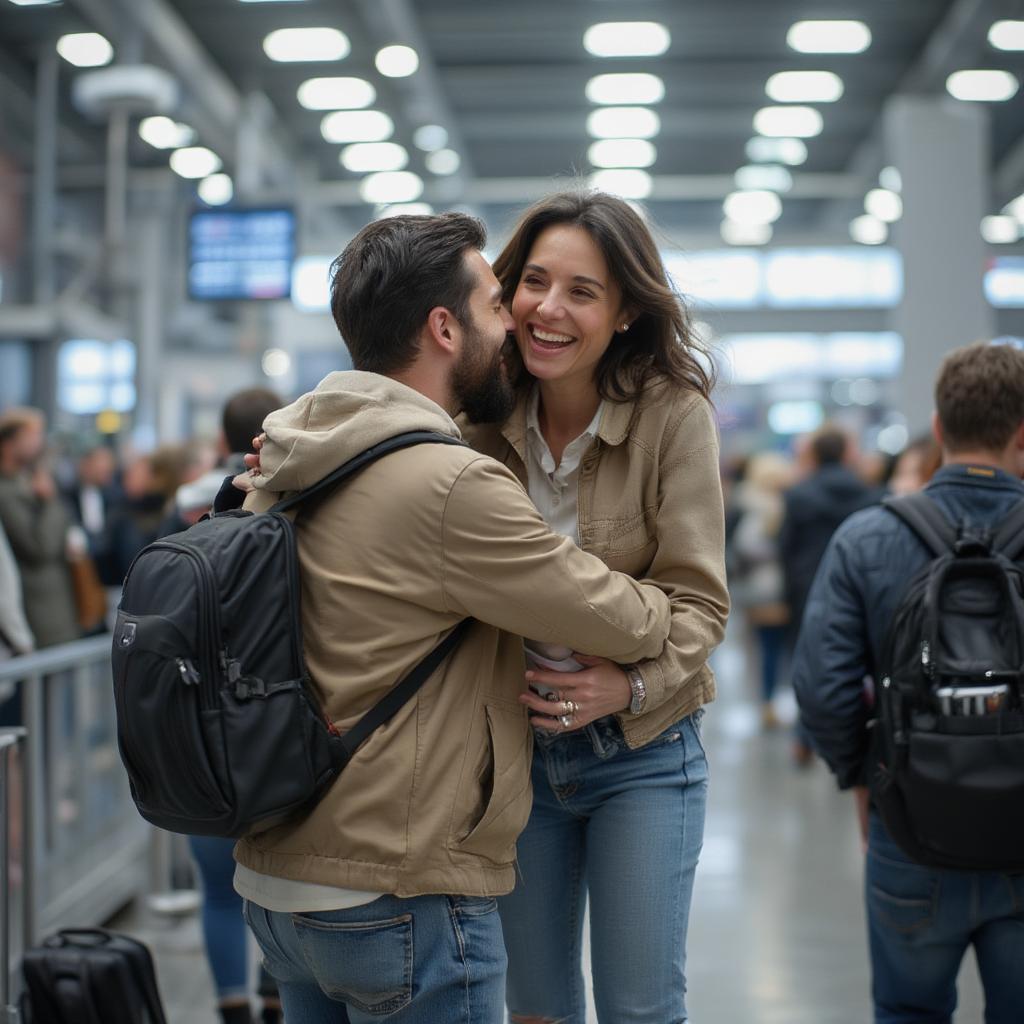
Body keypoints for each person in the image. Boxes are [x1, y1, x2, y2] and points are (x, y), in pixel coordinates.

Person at [233, 212, 673, 1024]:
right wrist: (651, 604)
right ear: (444, 327)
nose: (520, 322)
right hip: (396, 889)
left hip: (275, 886)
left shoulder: (290, 455)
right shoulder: (450, 483)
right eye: (501, 303)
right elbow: (628, 620)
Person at [460, 190, 729, 1024]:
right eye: (534, 282)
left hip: (641, 754)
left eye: (583, 291)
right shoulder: (474, 413)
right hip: (514, 752)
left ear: (622, 314)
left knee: (639, 1007)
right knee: (534, 1006)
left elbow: (699, 602)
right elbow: (374, 416)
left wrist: (631, 688)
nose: (549, 308)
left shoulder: (672, 417)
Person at [792, 340, 1024, 1023]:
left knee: (908, 1011)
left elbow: (823, 688)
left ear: (939, 427)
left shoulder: (867, 537)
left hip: (910, 825)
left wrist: (861, 776)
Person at [174, 389, 284, 1024]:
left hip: (192, 721)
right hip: (267, 718)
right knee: (274, 883)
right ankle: (276, 999)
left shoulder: (187, 503)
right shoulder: (287, 498)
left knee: (216, 891)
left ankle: (231, 1008)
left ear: (222, 436)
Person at [778, 423, 881, 765]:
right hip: (858, 588)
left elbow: (786, 548)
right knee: (857, 658)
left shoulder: (797, 495)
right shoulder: (870, 494)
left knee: (804, 661)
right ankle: (854, 735)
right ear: (846, 453)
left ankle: (803, 737)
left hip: (806, 587)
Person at [0, 407, 79, 649]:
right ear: (10, 442)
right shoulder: (7, 491)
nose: (39, 443)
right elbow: (40, 547)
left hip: (53, 606)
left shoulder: (29, 480)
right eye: (32, 436)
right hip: (35, 610)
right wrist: (48, 503)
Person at [729, 451, 794, 729]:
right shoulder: (762, 507)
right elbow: (745, 547)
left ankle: (770, 701)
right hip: (772, 589)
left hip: (759, 590)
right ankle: (773, 701)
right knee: (776, 649)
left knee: (768, 649)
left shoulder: (744, 503)